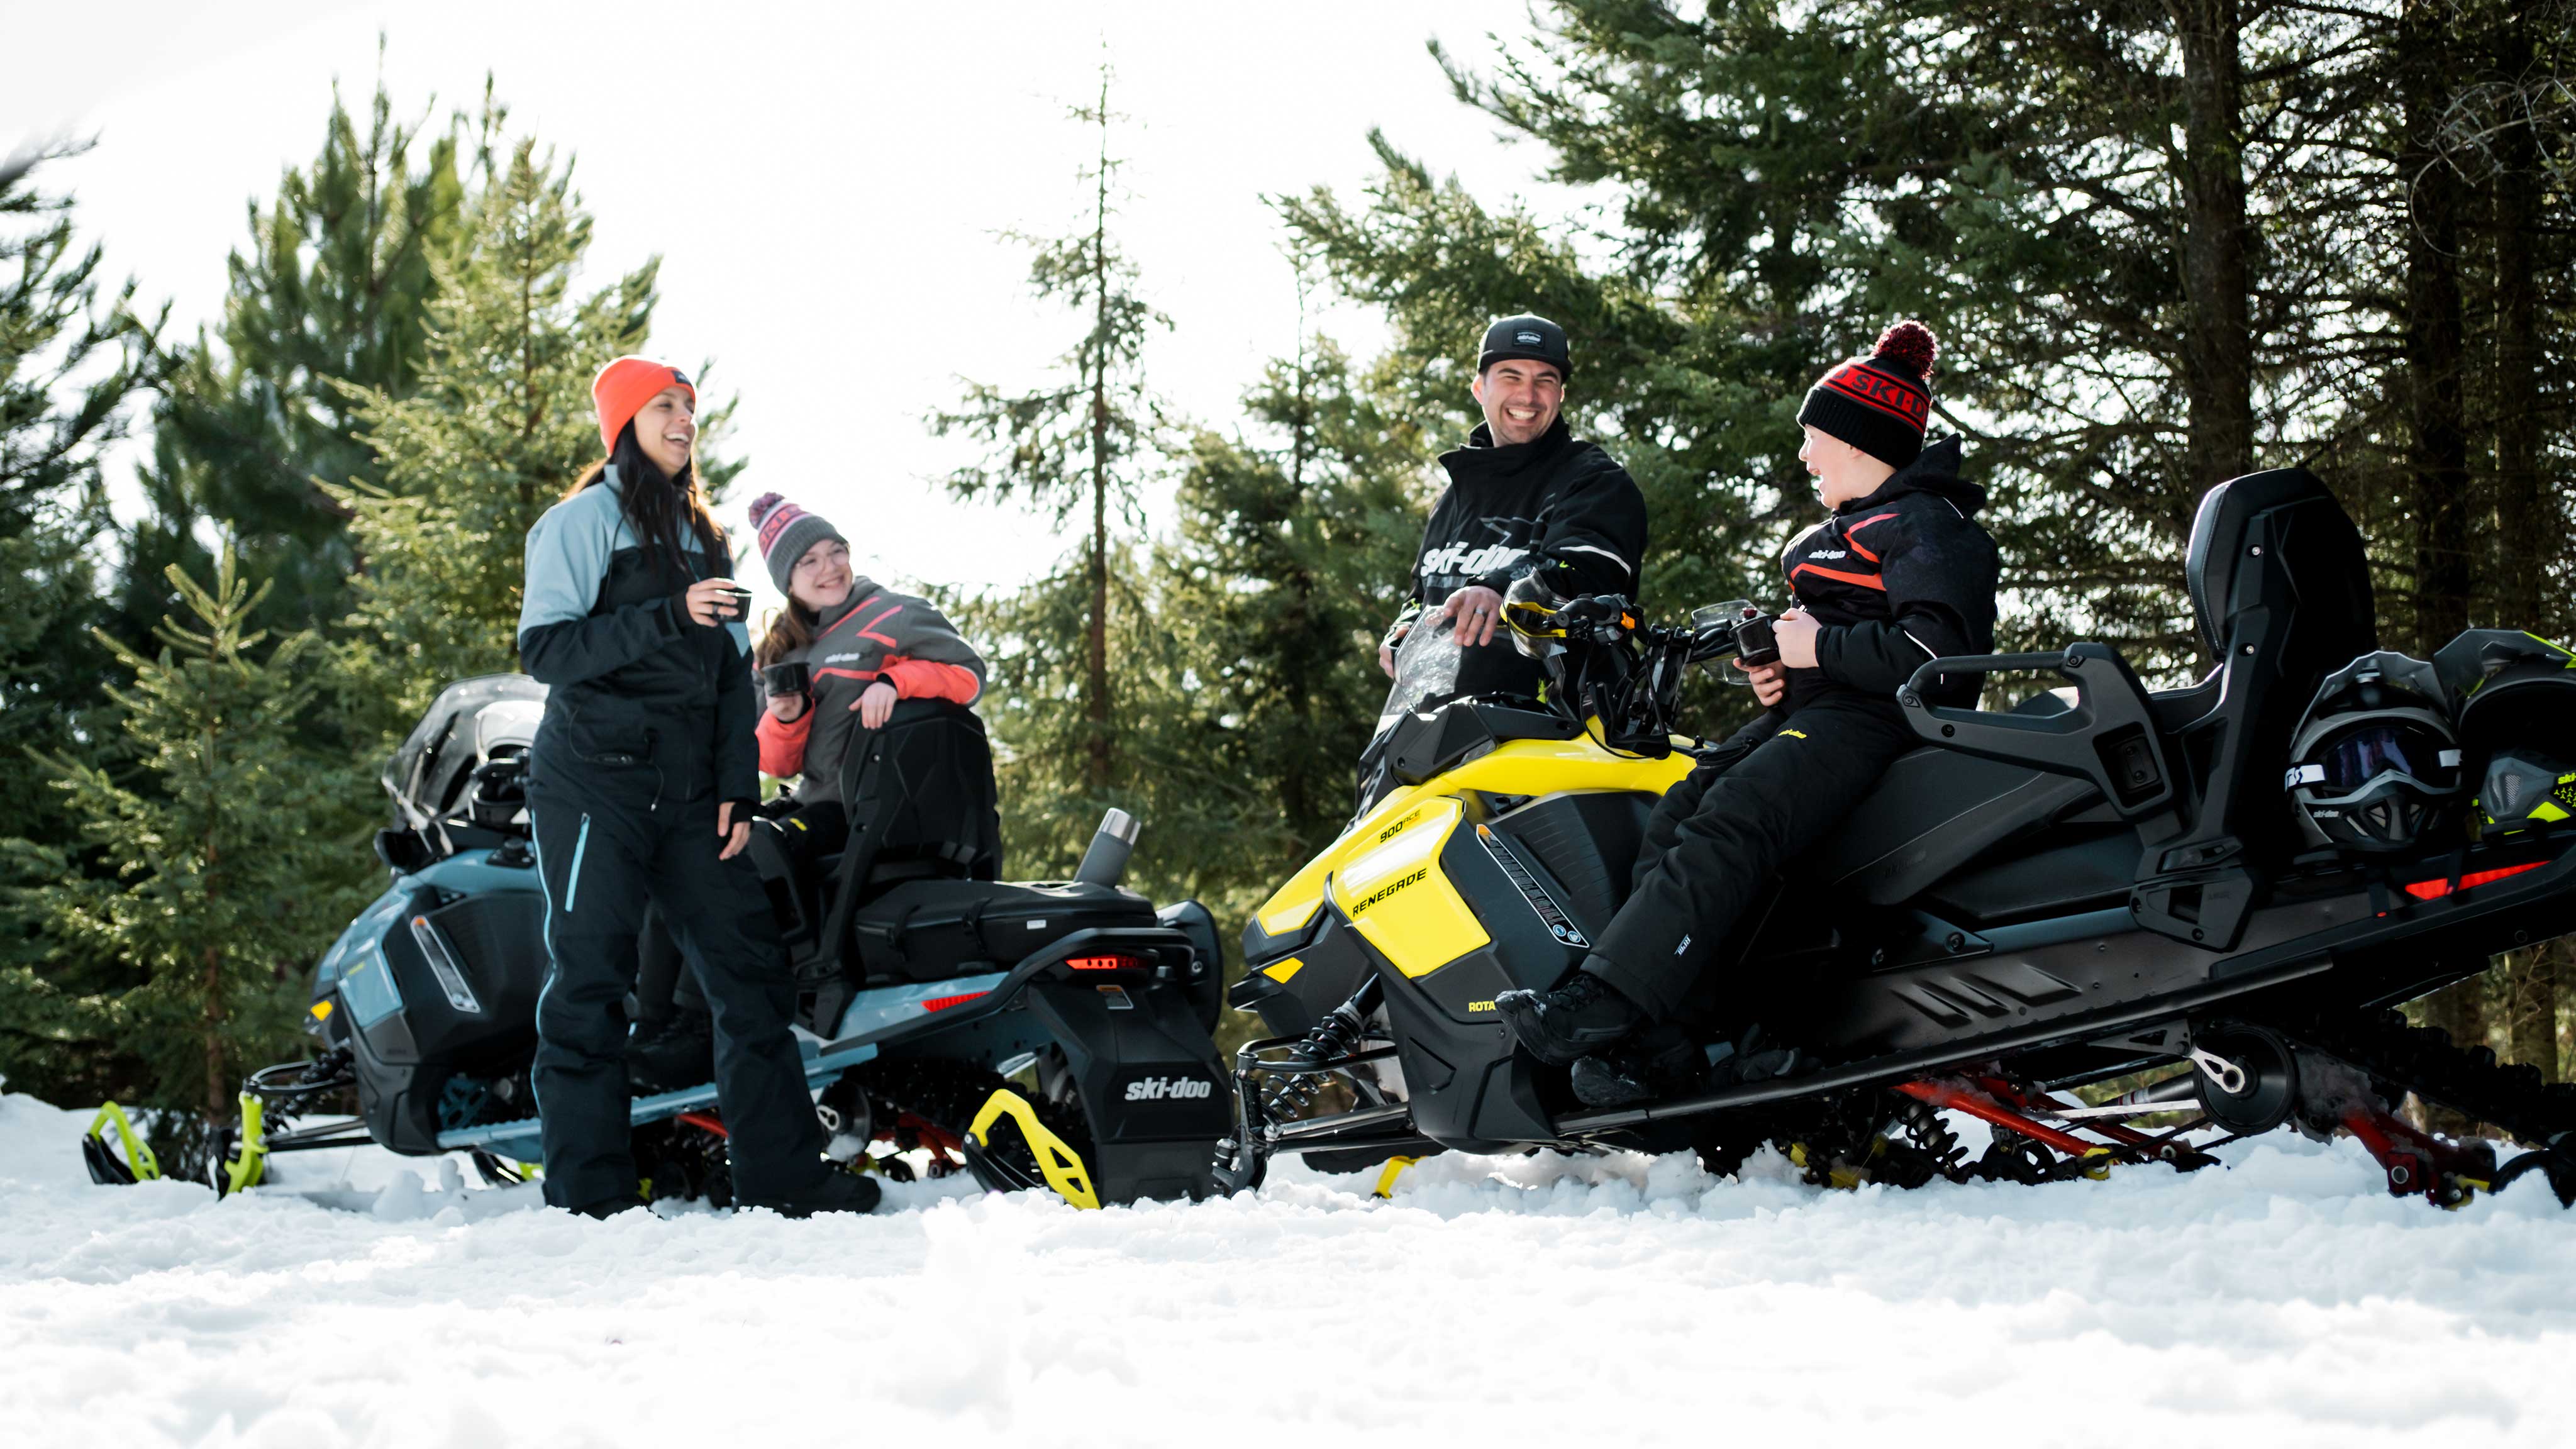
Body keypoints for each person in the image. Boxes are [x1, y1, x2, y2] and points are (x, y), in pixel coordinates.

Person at [1492, 321, 1999, 1106]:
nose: (1804, 456)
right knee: (1677, 813)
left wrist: (1816, 651)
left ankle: (1609, 1001)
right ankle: (1667, 1043)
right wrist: (1779, 673)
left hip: (1881, 724)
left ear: (1857, 441)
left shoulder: (1928, 524)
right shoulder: (1838, 535)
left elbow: (1938, 659)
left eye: (1812, 438)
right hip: (1820, 713)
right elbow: (1824, 645)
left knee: (1736, 812)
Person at [516, 355, 877, 1218]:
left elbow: (725, 677)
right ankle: (589, 1194)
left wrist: (736, 789)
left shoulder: (701, 536)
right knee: (592, 978)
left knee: (748, 972)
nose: (685, 421)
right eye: (667, 407)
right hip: (592, 786)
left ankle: (784, 1177)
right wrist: (666, 615)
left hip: (689, 798)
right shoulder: (578, 523)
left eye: (690, 408)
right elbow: (548, 653)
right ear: (625, 423)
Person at [623, 493, 989, 1091]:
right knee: (682, 852)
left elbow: (968, 676)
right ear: (787, 581)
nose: (829, 569)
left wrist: (898, 680)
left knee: (727, 859)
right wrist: (787, 712)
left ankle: (694, 1029)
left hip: (873, 811)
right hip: (815, 804)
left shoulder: (894, 614)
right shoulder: (783, 651)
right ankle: (650, 1026)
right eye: (809, 562)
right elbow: (773, 760)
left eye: (835, 551)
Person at [1357, 313, 1648, 808]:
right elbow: (1423, 594)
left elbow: (1590, 573)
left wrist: (1498, 586)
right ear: (1479, 387)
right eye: (1511, 376)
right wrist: (1404, 629)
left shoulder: (1595, 481)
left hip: (1543, 752)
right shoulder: (1452, 500)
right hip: (1417, 750)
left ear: (1560, 395)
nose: (1528, 396)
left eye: (1545, 381)